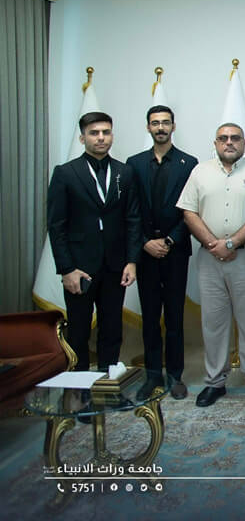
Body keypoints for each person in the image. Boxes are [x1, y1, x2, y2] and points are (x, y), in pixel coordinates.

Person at [177, 123, 245, 408]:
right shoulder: (199, 172)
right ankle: (215, 382)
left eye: (235, 138)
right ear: (215, 143)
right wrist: (213, 244)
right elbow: (188, 212)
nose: (229, 142)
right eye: (223, 138)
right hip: (209, 258)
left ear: (244, 142)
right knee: (213, 322)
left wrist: (231, 243)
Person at [47, 111, 140, 373]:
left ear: (112, 135)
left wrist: (132, 261)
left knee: (112, 328)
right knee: (78, 330)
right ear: (82, 138)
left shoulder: (125, 172)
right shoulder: (66, 173)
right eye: (94, 133)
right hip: (79, 267)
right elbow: (56, 225)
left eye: (105, 132)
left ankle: (108, 382)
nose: (101, 138)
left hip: (115, 265)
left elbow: (133, 219)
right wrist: (66, 269)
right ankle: (79, 388)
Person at [127, 105, 198, 401]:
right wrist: (145, 242)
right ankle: (153, 376)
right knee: (150, 317)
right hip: (145, 253)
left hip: (176, 251)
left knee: (174, 317)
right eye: (155, 123)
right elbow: (130, 210)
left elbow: (191, 210)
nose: (160, 127)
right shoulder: (134, 164)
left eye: (165, 122)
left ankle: (175, 376)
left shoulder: (188, 163)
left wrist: (169, 240)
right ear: (148, 127)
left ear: (173, 126)